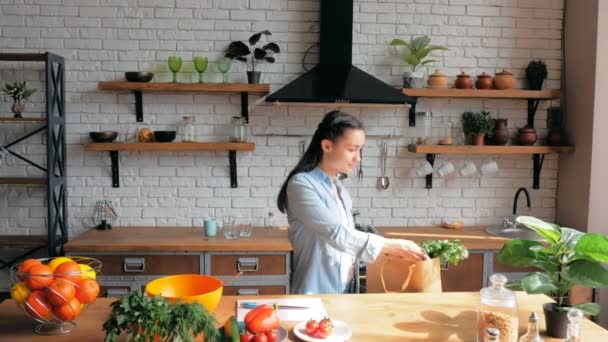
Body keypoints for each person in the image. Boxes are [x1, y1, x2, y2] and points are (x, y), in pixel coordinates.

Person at [277, 110, 428, 294]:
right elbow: (335, 233)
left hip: (347, 291)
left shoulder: (340, 189)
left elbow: (347, 242)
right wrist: (390, 244)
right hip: (315, 293)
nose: (358, 158)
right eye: (352, 149)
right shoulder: (301, 185)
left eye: (360, 149)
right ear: (327, 146)